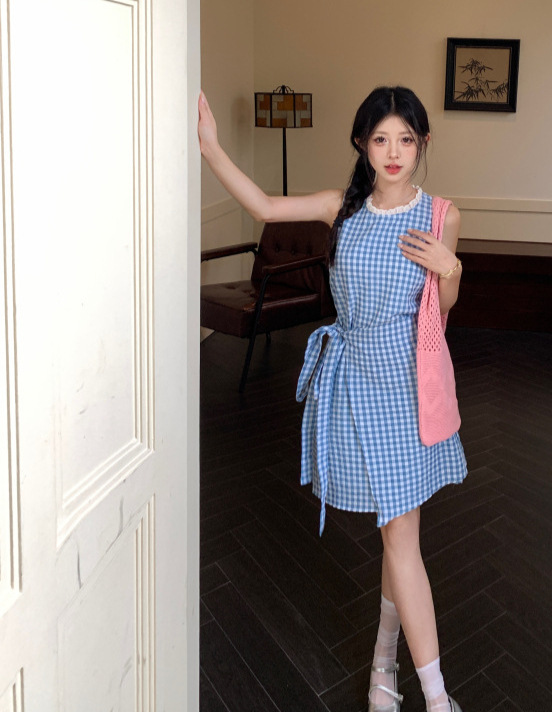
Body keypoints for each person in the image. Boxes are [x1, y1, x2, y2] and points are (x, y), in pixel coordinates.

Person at [198, 86, 467, 712]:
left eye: (406, 139)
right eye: (381, 139)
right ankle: (387, 672)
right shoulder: (339, 208)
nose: (394, 152)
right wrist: (210, 146)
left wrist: (450, 267)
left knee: (400, 537)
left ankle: (425, 693)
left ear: (423, 143)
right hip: (351, 383)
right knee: (397, 536)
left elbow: (442, 312)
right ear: (362, 145)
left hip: (407, 389)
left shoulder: (442, 215)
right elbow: (264, 206)